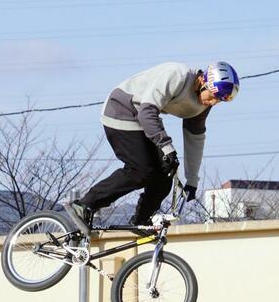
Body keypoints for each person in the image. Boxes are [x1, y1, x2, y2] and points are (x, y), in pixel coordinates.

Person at [64, 62, 239, 231]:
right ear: (203, 81)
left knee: (165, 175)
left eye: (219, 101)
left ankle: (140, 221)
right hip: (121, 110)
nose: (213, 103)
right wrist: (166, 147)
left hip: (143, 121)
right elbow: (147, 112)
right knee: (140, 170)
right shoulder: (177, 76)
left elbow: (195, 138)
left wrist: (192, 180)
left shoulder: (203, 105)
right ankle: (84, 205)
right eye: (213, 96)